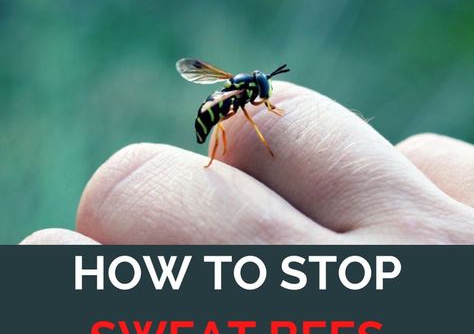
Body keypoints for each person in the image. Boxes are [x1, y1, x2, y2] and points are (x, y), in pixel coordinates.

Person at [21, 82, 474, 245]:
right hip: (213, 121)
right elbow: (237, 116)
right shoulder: (239, 102)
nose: (264, 96)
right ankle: (211, 160)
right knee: (237, 127)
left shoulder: (248, 95)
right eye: (262, 93)